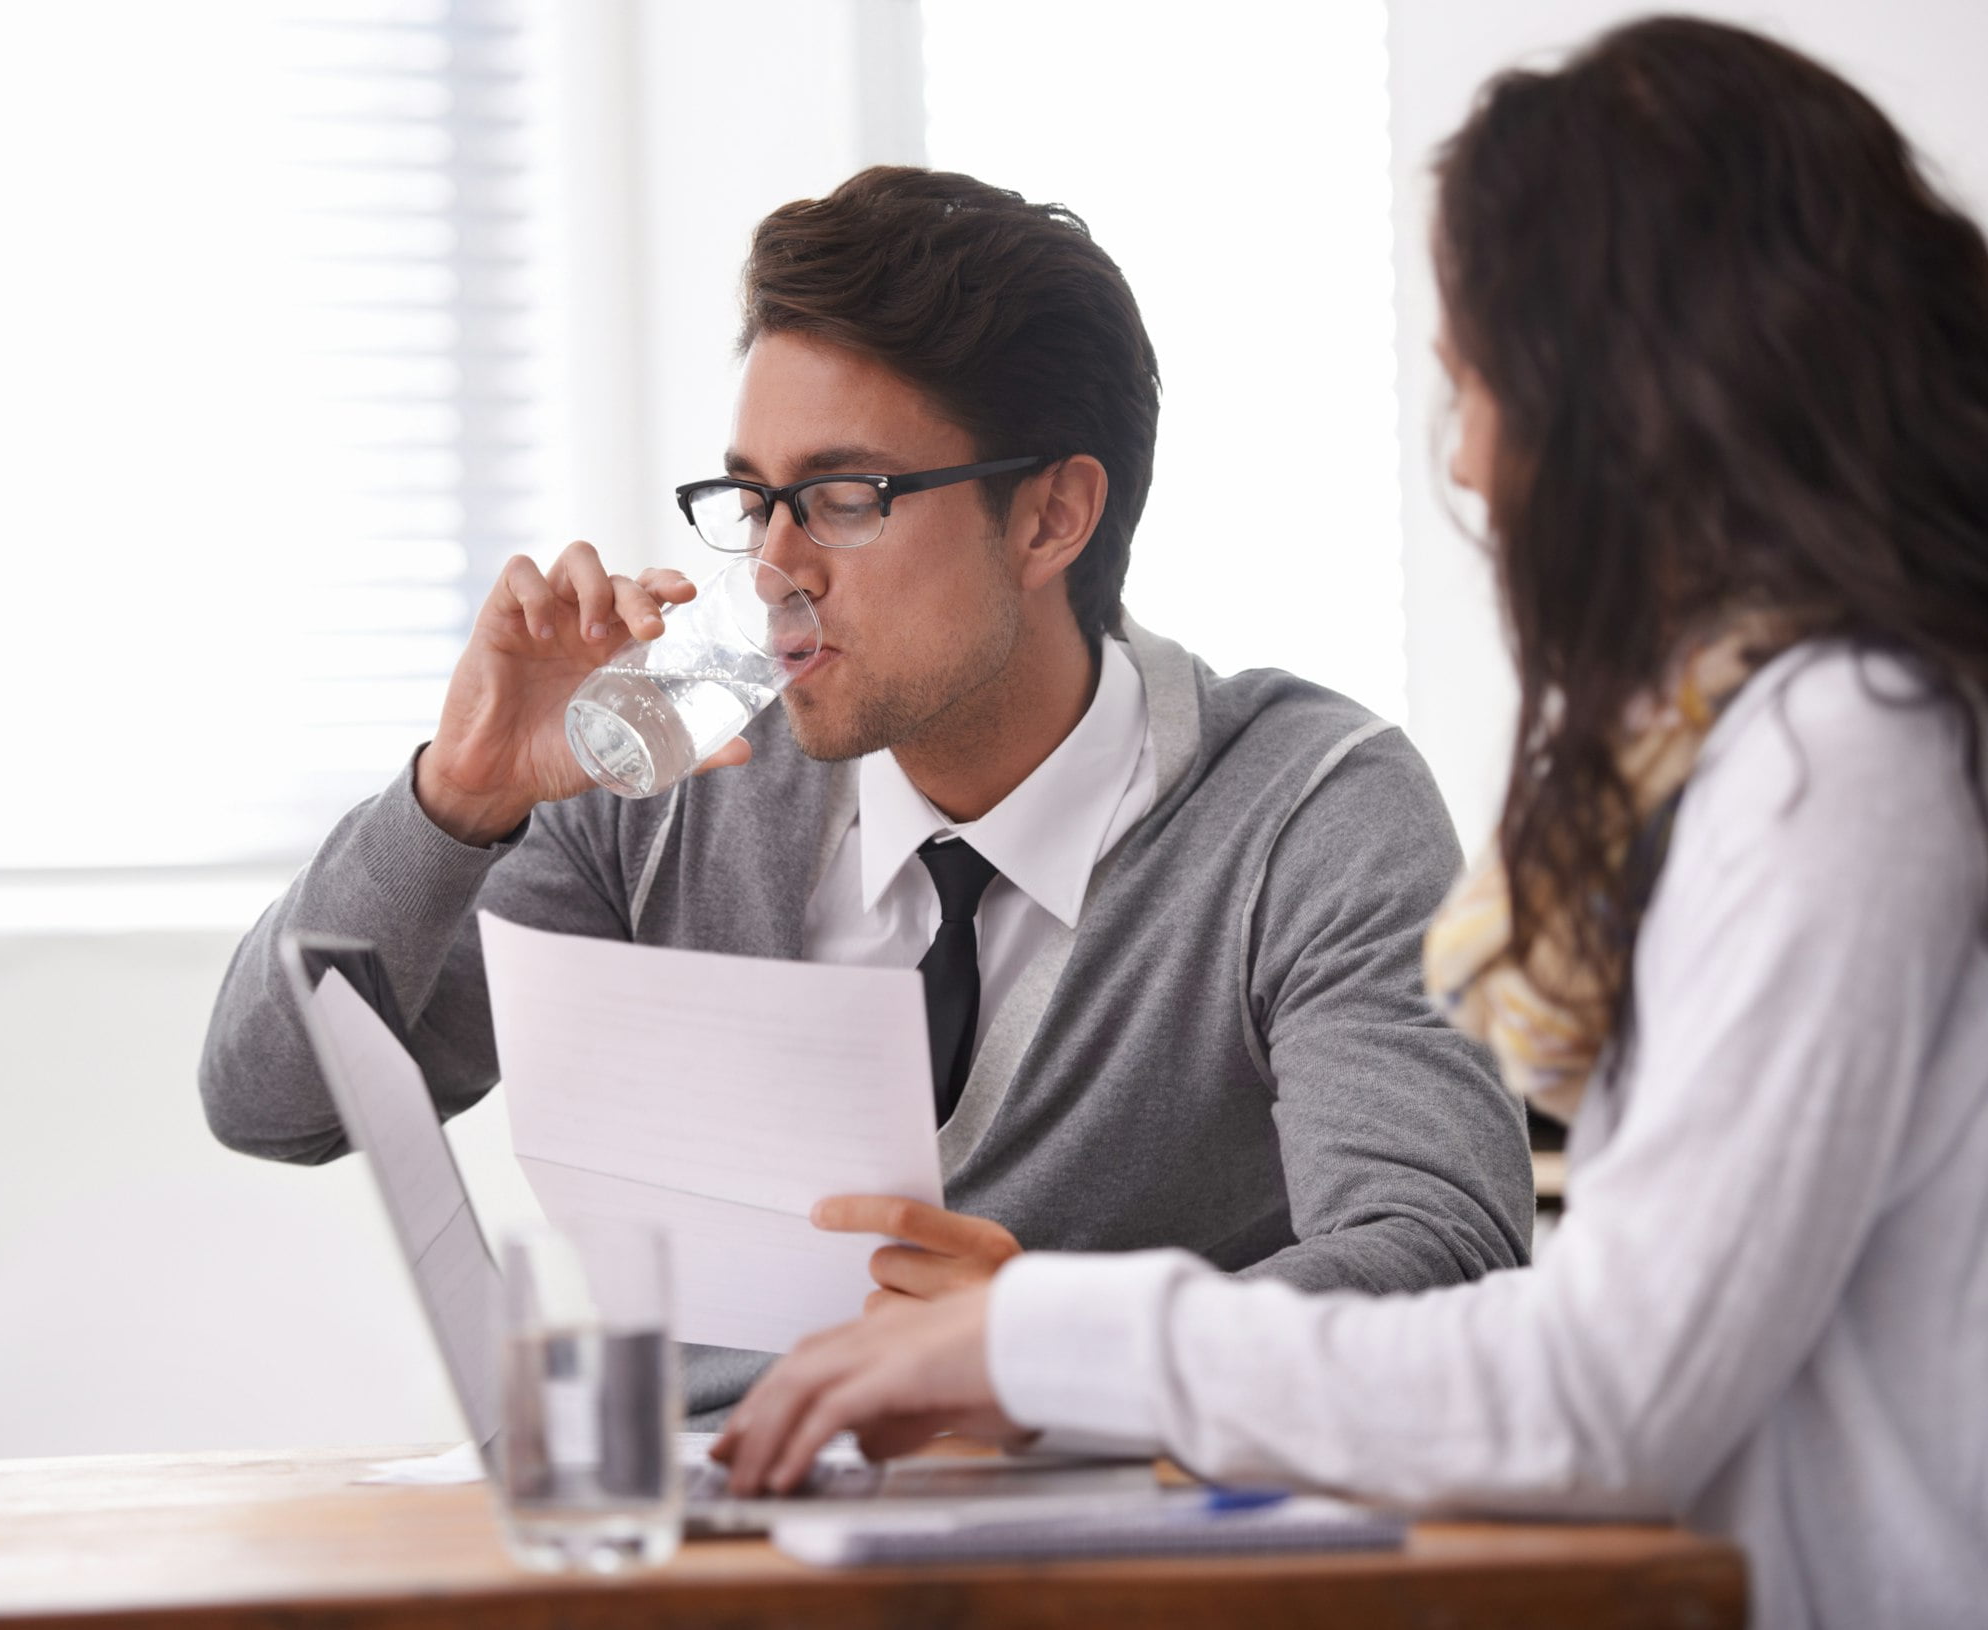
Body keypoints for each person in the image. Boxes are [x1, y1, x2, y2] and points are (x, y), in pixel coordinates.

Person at [709, 21, 1988, 1628]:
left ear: (1637, 394)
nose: (1465, 456)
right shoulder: (1797, 739)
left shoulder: (1843, 749)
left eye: (1478, 385)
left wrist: (1031, 1337)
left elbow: (1602, 1382)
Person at [199, 167, 1532, 1425]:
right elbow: (273, 1101)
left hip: (1110, 1566)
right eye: (752, 497)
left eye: (842, 498)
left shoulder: (1307, 810)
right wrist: (462, 795)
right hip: (706, 1554)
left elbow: (1443, 1264)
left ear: (1053, 517)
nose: (776, 567)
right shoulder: (667, 780)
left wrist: (1053, 1350)